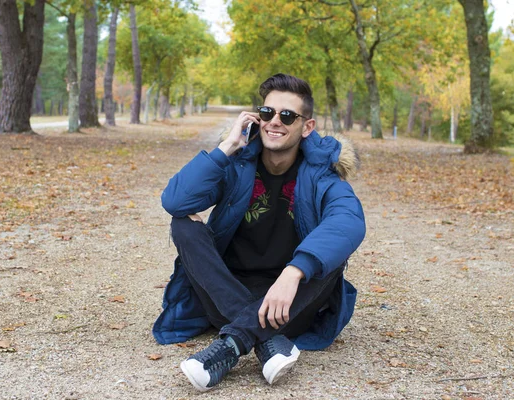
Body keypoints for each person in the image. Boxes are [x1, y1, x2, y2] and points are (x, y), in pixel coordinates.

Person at [152, 73, 366, 391]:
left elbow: (350, 221)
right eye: (267, 113)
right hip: (225, 291)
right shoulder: (237, 163)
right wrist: (227, 146)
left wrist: (294, 272)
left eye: (287, 115)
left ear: (307, 126)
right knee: (184, 224)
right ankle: (262, 337)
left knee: (330, 256)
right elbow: (175, 200)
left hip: (290, 302)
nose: (274, 122)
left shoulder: (323, 175)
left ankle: (233, 341)